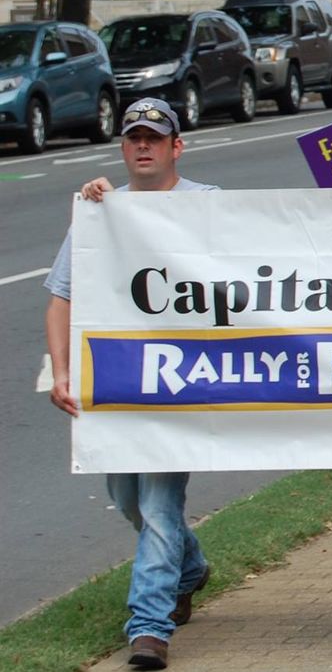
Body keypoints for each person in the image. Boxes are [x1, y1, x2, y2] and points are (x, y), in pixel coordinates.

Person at [45, 98, 216, 670]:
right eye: (133, 137)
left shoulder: (209, 205)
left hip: (184, 383)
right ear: (122, 147)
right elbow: (62, 295)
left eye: (155, 137)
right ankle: (189, 570)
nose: (143, 146)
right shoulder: (99, 211)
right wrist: (63, 371)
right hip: (118, 379)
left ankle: (148, 626)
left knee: (160, 501)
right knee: (127, 497)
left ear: (176, 147)